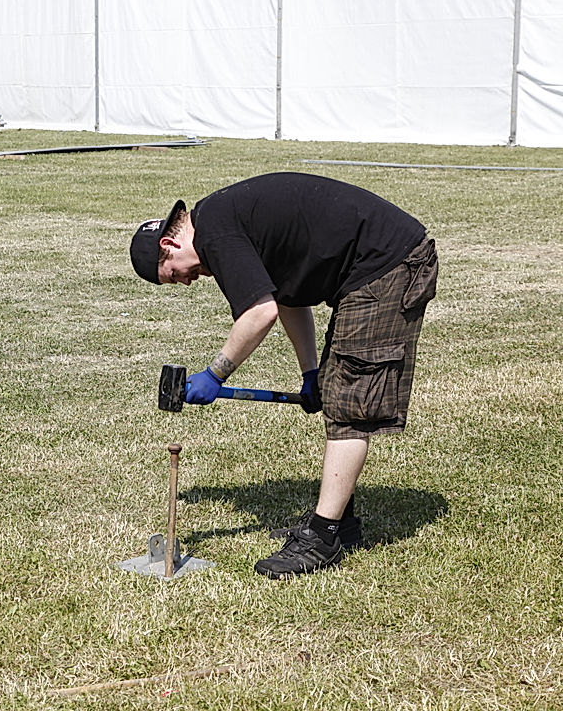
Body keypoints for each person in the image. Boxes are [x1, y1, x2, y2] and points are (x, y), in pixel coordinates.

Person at [129, 172, 437, 579]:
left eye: (173, 275)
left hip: (389, 263)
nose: (185, 282)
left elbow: (260, 313)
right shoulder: (221, 223)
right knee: (335, 388)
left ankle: (322, 537)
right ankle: (341, 522)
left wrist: (215, 374)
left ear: (169, 246)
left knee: (349, 408)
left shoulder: (215, 235)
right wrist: (310, 372)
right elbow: (287, 299)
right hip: (377, 263)